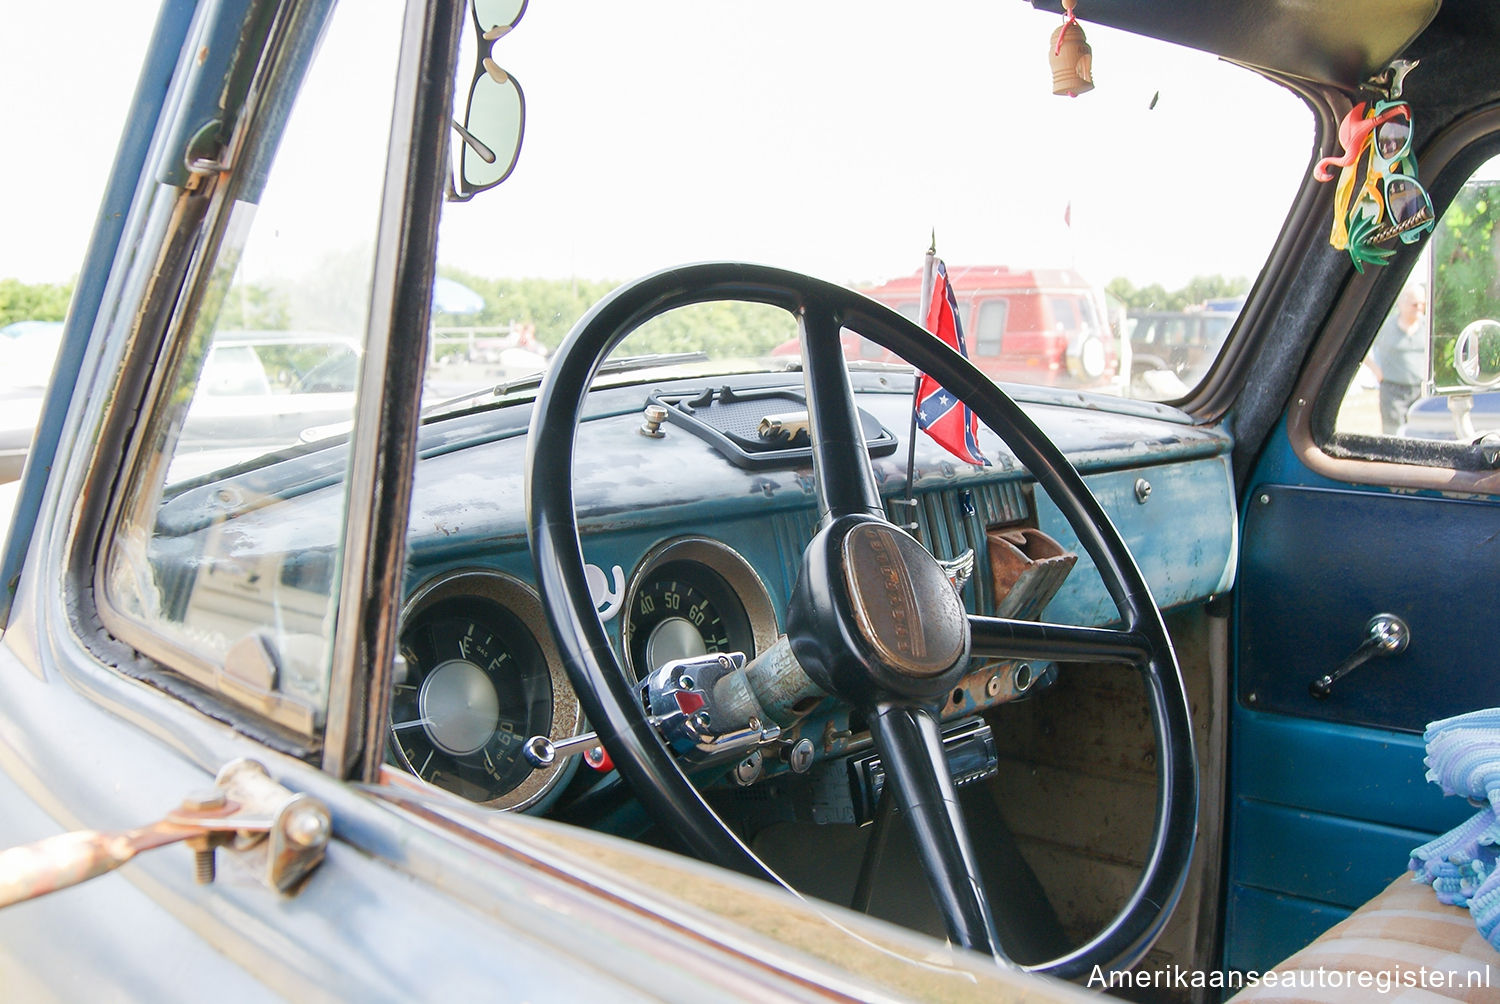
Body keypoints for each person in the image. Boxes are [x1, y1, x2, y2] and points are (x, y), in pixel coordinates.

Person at [1366, 281, 1428, 434]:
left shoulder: (1428, 326)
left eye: (1422, 304)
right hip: (1393, 392)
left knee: (1421, 435)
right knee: (1394, 435)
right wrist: (1375, 370)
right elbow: (1362, 348)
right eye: (1415, 304)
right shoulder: (1386, 326)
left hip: (1421, 391)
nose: (1419, 308)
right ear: (1402, 304)